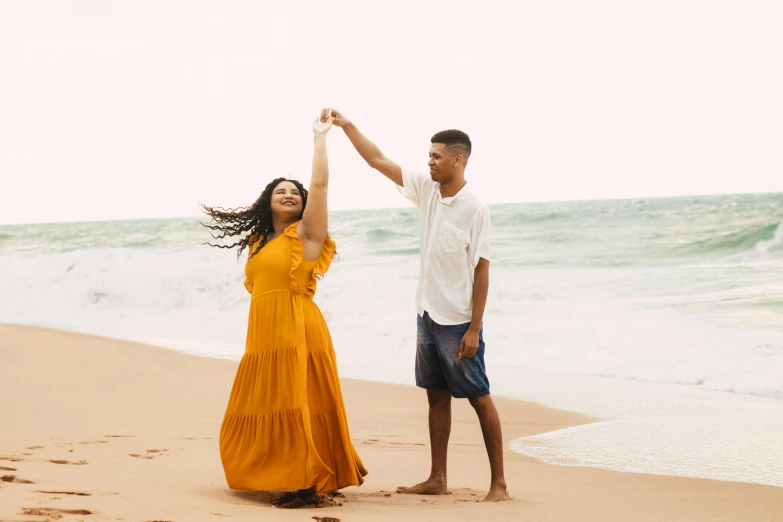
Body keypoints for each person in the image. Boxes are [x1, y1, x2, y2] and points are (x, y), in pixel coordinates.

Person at [322, 108, 509, 502]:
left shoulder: (476, 209)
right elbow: (377, 160)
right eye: (429, 156)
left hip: (457, 321)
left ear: (457, 159)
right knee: (435, 395)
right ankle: (437, 478)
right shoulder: (426, 188)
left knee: (479, 397)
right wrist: (347, 126)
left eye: (436, 156)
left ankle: (500, 485)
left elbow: (482, 271)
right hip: (426, 313)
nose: (429, 161)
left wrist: (474, 328)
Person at [201, 112, 367, 502]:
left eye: (295, 191)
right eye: (281, 191)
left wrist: (320, 138)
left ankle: (307, 482)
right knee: (266, 403)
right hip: (264, 336)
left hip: (297, 328)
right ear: (268, 202)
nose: (290, 194)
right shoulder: (260, 243)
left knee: (296, 402)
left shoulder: (306, 234)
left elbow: (321, 184)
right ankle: (292, 471)